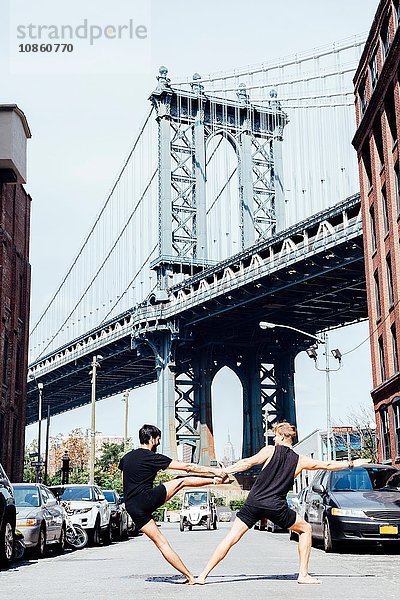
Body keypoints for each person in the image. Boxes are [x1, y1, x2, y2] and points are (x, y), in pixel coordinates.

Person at [197, 422, 370, 585]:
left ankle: (203, 575)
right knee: (306, 529)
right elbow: (327, 464)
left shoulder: (269, 451)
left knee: (230, 538)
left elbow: (247, 462)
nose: (273, 439)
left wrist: (224, 470)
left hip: (254, 502)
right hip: (275, 506)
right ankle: (303, 575)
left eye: (275, 436)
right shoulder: (301, 460)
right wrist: (351, 463)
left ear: (282, 436)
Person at [118, 423, 226, 585]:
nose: (159, 443)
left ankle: (190, 577)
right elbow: (188, 467)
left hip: (132, 506)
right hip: (146, 498)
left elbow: (123, 482)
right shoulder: (152, 457)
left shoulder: (126, 458)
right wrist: (214, 471)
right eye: (158, 439)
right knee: (181, 481)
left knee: (161, 543)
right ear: (152, 440)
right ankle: (216, 481)